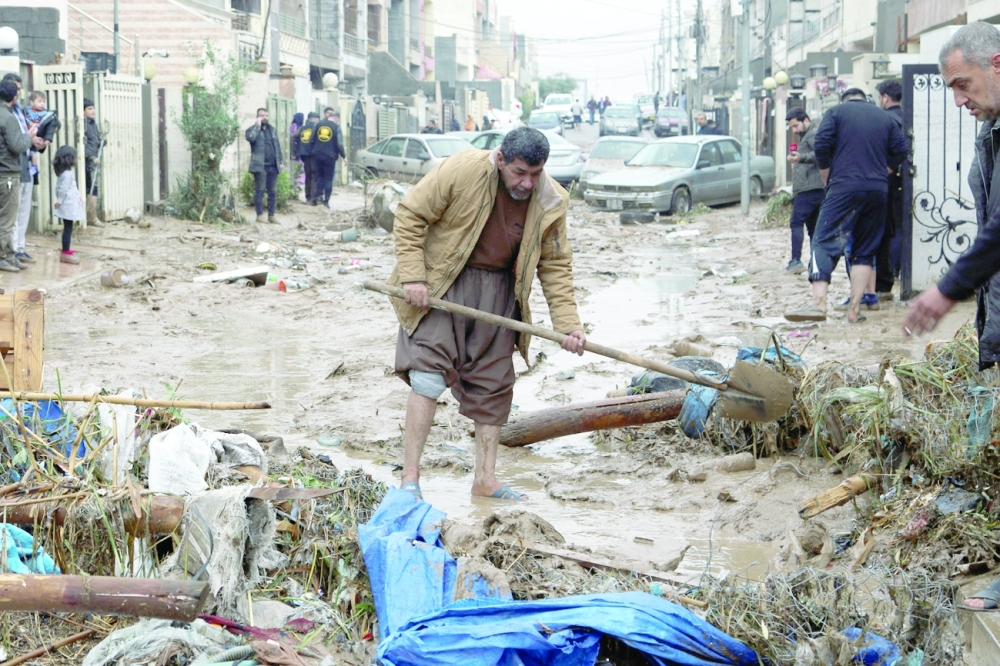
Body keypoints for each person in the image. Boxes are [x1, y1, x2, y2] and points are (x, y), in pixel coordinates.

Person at [387, 126, 586, 502]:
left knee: (495, 387)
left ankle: (485, 480)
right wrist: (413, 277)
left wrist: (568, 325)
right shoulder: (462, 170)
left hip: (498, 297)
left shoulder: (551, 201)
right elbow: (411, 215)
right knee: (428, 376)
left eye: (535, 173)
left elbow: (556, 265)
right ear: (500, 160)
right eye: (519, 172)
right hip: (443, 284)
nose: (527, 183)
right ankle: (410, 480)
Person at [903, 23, 1000, 377]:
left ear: (997, 64)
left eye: (963, 85)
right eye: (952, 89)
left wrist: (947, 289)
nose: (958, 101)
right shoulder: (991, 131)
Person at [784, 88, 907, 324]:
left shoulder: (836, 112)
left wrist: (825, 175)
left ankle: (819, 303)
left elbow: (822, 144)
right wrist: (885, 171)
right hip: (877, 191)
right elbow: (901, 150)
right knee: (864, 249)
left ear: (845, 100)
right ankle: (854, 309)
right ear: (868, 99)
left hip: (842, 187)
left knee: (822, 239)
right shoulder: (885, 117)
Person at [0, 79, 37, 273]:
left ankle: (10, 255)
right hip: (8, 174)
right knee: (7, 219)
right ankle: (4, 257)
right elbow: (18, 146)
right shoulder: (8, 118)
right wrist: (29, 136)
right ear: (14, 97)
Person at [873, 78, 904, 300]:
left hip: (887, 186)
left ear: (885, 97)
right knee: (903, 229)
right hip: (913, 183)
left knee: (885, 231)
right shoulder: (910, 117)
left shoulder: (883, 119)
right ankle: (903, 274)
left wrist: (888, 168)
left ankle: (885, 281)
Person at [785, 108, 825, 274]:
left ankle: (796, 261)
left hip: (810, 188)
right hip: (813, 187)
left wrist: (801, 158)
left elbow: (821, 154)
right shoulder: (807, 136)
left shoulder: (813, 134)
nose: (794, 130)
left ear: (806, 120)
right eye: (792, 127)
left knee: (796, 221)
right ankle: (815, 264)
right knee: (813, 228)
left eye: (796, 126)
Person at [244, 107, 283, 224]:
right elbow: (250, 138)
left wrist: (280, 161)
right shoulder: (251, 130)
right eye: (262, 116)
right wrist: (257, 126)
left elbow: (277, 147)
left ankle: (271, 215)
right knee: (260, 190)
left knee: (273, 191)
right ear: (257, 117)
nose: (265, 118)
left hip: (273, 165)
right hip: (260, 166)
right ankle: (259, 215)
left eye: (266, 115)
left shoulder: (272, 130)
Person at [51, 145, 83, 265]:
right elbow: (63, 189)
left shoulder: (63, 173)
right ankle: (65, 251)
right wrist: (59, 201)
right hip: (68, 204)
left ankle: (66, 250)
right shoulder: (67, 174)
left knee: (68, 228)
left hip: (67, 203)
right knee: (68, 228)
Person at [310, 107, 346, 207]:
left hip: (317, 155)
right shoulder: (337, 128)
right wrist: (344, 156)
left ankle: (316, 199)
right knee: (328, 179)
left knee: (319, 177)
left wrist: (314, 151)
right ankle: (326, 202)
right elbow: (339, 144)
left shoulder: (318, 124)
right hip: (330, 157)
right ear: (337, 119)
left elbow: (311, 139)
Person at [82, 98, 105, 227]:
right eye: (89, 108)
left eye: (93, 108)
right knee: (90, 189)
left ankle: (92, 216)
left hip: (92, 162)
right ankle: (91, 217)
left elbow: (94, 142)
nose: (93, 111)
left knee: (93, 189)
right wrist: (91, 157)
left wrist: (102, 142)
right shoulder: (83, 125)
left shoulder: (93, 124)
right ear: (83, 111)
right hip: (86, 162)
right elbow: (83, 144)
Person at [295, 111, 319, 205]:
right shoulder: (317, 127)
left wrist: (295, 150)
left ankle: (308, 197)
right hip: (314, 155)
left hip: (304, 155)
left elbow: (293, 137)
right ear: (317, 119)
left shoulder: (302, 128)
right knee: (315, 176)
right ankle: (313, 199)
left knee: (308, 176)